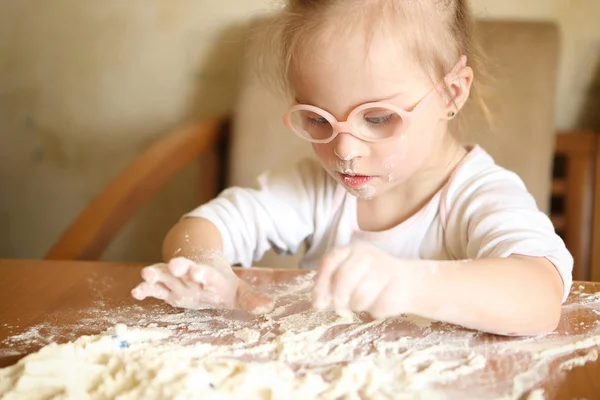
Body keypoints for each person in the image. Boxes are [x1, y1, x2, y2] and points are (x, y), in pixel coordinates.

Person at [131, 0, 572, 337]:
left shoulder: (479, 195)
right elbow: (198, 229)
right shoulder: (316, 188)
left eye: (378, 118)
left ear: (452, 93)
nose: (344, 150)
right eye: (318, 119)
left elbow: (539, 295)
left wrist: (411, 283)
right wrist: (210, 273)